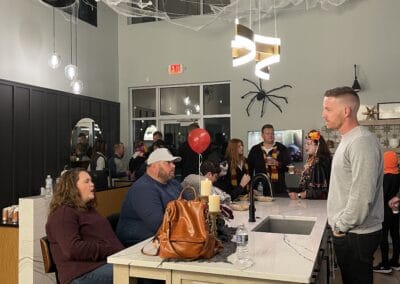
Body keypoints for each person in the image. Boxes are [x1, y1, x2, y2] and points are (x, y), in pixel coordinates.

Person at [322, 86, 383, 283]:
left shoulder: (361, 141)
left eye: (328, 109)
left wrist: (340, 226)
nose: (323, 114)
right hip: (351, 232)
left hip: (355, 234)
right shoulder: (348, 139)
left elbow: (362, 195)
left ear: (346, 111)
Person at [46, 168, 124, 284]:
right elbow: (72, 249)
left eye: (91, 181)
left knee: (143, 270)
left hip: (101, 265)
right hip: (81, 275)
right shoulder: (63, 214)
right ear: (72, 188)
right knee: (137, 274)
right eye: (86, 181)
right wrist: (110, 250)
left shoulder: (87, 209)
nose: (92, 185)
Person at [116, 148, 183, 247]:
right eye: (168, 163)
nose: (173, 166)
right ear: (154, 166)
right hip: (138, 244)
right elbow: (159, 225)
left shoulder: (174, 184)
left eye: (173, 163)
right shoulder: (143, 188)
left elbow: (190, 207)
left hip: (164, 237)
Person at [374, 151, 400, 273]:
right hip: (396, 209)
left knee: (383, 236)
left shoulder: (386, 176)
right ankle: (395, 261)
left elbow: (382, 196)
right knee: (395, 235)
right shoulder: (398, 174)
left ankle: (385, 265)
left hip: (385, 210)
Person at [248, 124, 291, 195]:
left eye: (272, 133)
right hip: (260, 188)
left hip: (278, 189)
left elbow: (289, 168)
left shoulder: (282, 148)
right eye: (267, 133)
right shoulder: (255, 149)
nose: (270, 135)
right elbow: (249, 170)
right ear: (262, 135)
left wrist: (277, 163)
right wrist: (250, 188)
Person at [287, 130, 331, 200]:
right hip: (312, 203)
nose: (306, 146)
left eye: (308, 144)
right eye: (305, 144)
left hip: (317, 205)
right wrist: (302, 172)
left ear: (317, 145)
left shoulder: (319, 161)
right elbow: (314, 176)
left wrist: (298, 195)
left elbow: (320, 191)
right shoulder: (313, 158)